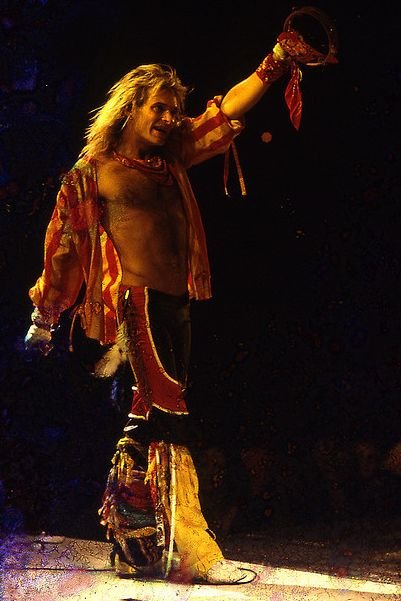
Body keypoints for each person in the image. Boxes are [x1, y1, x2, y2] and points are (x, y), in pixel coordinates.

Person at [24, 31, 327, 584]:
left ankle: (131, 544)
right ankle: (194, 553)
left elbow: (225, 111)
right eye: (158, 108)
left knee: (145, 420)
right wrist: (46, 316)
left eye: (173, 110)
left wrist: (277, 61)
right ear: (131, 108)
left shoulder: (173, 158)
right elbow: (63, 247)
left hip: (177, 305)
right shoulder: (94, 173)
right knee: (171, 417)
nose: (168, 119)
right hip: (136, 306)